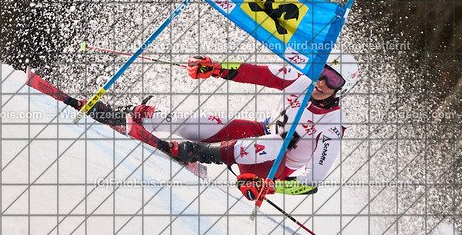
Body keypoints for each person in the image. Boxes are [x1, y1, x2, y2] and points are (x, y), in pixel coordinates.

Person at [126, 51, 359, 201]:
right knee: (193, 123)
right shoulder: (301, 80)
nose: (321, 82)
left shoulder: (333, 126)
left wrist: (270, 187)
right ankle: (135, 115)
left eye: (332, 80)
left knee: (277, 142)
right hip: (255, 134)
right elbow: (253, 73)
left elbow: (311, 182)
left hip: (270, 169)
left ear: (342, 88)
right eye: (321, 72)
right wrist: (217, 68)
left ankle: (194, 152)